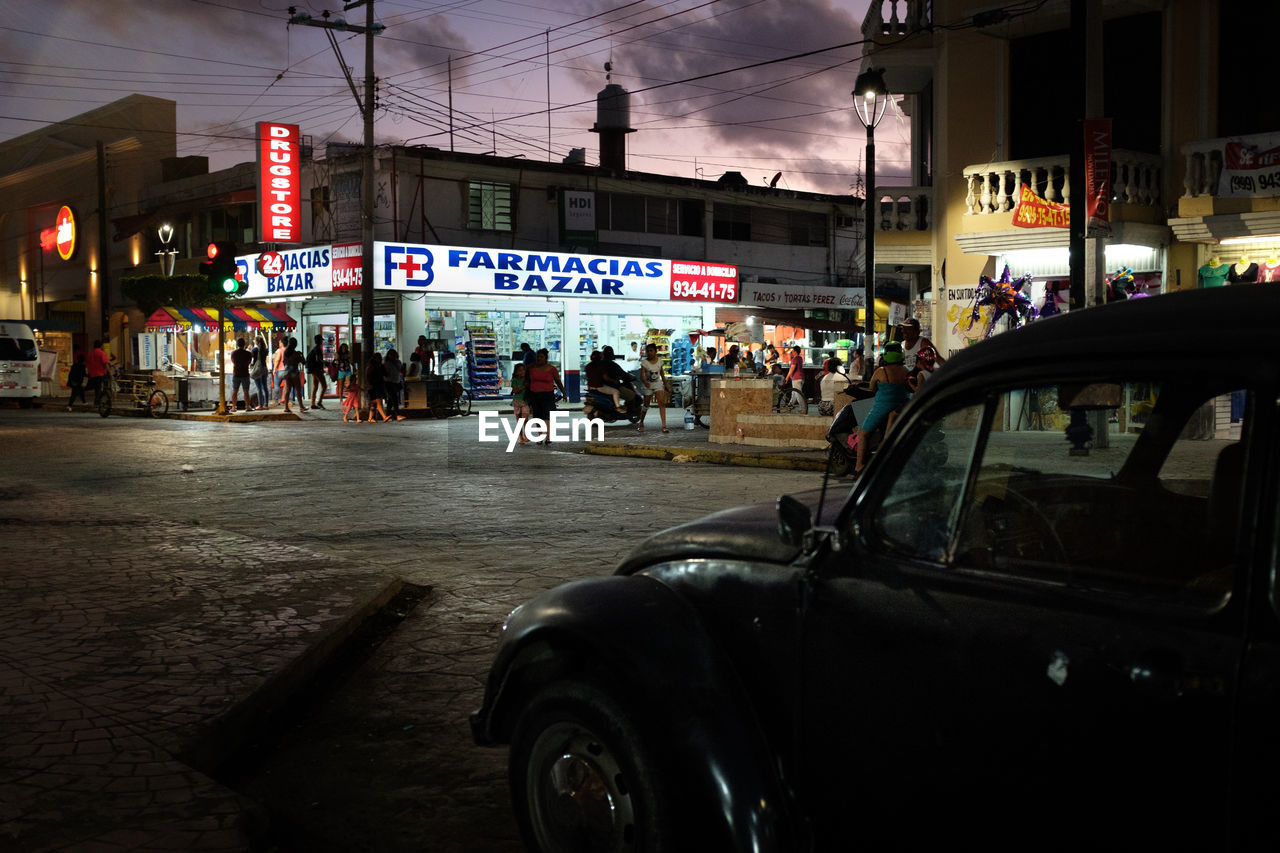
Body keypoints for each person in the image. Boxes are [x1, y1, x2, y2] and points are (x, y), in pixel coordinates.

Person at [854, 341, 911, 475]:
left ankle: (859, 466)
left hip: (882, 407)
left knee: (863, 434)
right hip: (902, 407)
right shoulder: (906, 370)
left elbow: (871, 387)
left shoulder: (881, 371)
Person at [527, 348, 567, 444]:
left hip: (548, 395)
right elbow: (525, 380)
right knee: (537, 416)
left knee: (547, 416)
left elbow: (558, 381)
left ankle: (548, 436)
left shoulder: (552, 369)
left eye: (541, 357)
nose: (539, 358)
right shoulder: (531, 368)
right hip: (534, 395)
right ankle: (540, 436)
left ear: (546, 358)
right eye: (538, 356)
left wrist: (564, 392)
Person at [899, 318, 945, 388]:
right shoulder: (901, 345)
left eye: (907, 329)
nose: (904, 331)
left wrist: (950, 370)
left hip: (921, 384)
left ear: (916, 331)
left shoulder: (923, 342)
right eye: (903, 328)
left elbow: (938, 359)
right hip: (908, 385)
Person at [637, 343, 672, 434]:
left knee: (661, 403)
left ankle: (664, 426)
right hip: (648, 385)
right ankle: (641, 422)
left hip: (658, 384)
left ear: (655, 352)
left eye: (651, 351)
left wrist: (666, 385)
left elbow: (662, 374)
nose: (649, 353)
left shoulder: (660, 361)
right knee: (646, 405)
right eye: (647, 351)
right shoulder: (644, 363)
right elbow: (641, 376)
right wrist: (645, 382)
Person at [599, 345, 638, 410]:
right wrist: (633, 378)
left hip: (602, 386)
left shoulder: (600, 364)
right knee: (631, 395)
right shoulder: (613, 365)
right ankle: (625, 409)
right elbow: (623, 374)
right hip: (613, 386)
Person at [281, 337, 306, 413]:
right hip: (294, 373)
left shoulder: (285, 352)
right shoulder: (296, 353)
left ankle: (286, 407)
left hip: (287, 372)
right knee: (298, 390)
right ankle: (301, 406)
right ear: (295, 344)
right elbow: (304, 362)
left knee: (288, 389)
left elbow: (284, 362)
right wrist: (301, 355)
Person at [509, 361, 532, 445]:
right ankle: (521, 437)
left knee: (525, 419)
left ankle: (527, 435)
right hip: (517, 402)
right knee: (519, 421)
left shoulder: (527, 380)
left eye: (523, 370)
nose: (522, 372)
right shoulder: (515, 380)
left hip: (525, 401)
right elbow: (515, 390)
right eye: (519, 370)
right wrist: (523, 386)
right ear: (516, 372)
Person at [229, 337, 253, 413]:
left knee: (235, 391)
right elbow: (249, 362)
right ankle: (247, 406)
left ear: (237, 344)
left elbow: (233, 361)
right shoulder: (248, 353)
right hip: (245, 373)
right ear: (244, 344)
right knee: (246, 391)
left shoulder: (233, 353)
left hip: (236, 373)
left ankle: (233, 407)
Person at [363, 352, 390, 422]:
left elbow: (386, 374)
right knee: (379, 402)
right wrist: (369, 384)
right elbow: (367, 376)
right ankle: (384, 417)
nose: (380, 359)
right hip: (373, 386)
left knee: (374, 403)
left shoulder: (380, 366)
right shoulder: (371, 366)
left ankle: (370, 418)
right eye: (379, 358)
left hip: (379, 386)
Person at [306, 334, 328, 409]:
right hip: (317, 370)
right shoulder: (318, 349)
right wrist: (325, 363)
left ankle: (312, 403)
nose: (322, 341)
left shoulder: (314, 349)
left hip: (313, 370)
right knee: (324, 386)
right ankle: (319, 402)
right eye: (321, 340)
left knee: (315, 386)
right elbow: (319, 360)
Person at [383, 348, 406, 420]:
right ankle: (397, 414)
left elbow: (401, 371)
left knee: (391, 399)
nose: (393, 357)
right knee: (394, 398)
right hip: (388, 382)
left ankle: (388, 414)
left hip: (396, 381)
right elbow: (385, 373)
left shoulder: (398, 362)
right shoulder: (387, 363)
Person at [86, 340, 110, 407]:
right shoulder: (102, 353)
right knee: (100, 388)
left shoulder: (90, 354)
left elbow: (87, 365)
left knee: (97, 389)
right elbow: (105, 363)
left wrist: (89, 372)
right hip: (101, 374)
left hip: (92, 374)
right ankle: (98, 401)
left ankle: (97, 401)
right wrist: (109, 372)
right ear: (101, 345)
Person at [250, 336, 271, 410]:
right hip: (265, 369)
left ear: (256, 342)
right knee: (265, 387)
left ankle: (261, 405)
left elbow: (250, 357)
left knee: (259, 388)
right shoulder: (264, 349)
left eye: (254, 340)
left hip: (258, 369)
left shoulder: (255, 349)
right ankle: (266, 404)